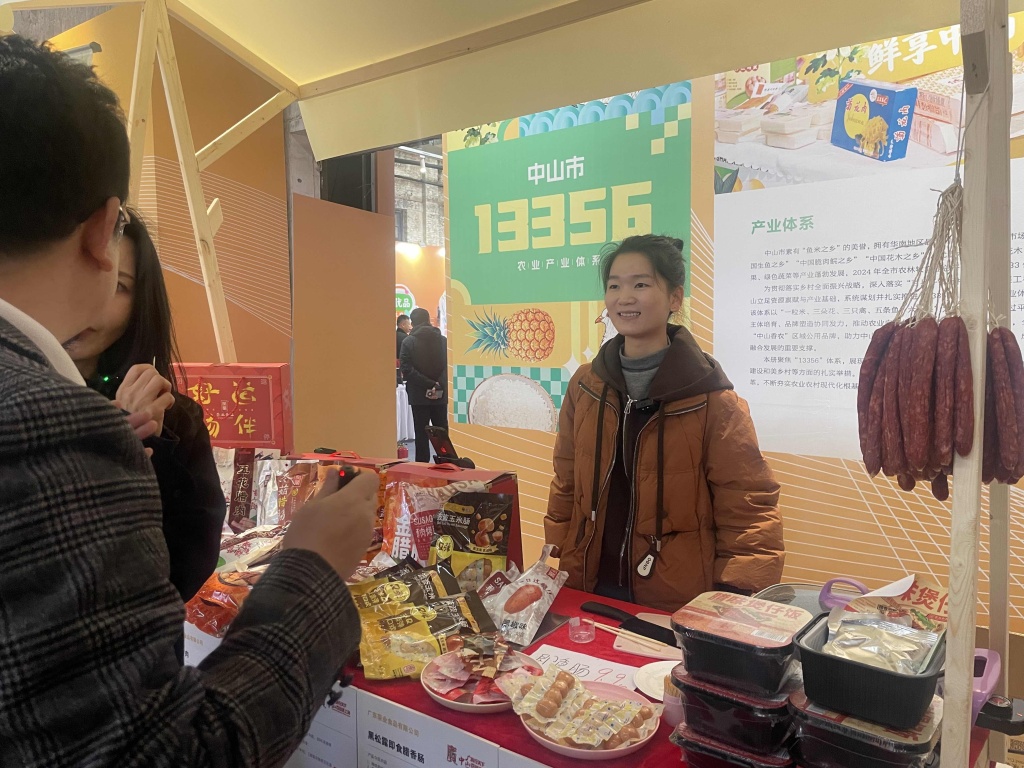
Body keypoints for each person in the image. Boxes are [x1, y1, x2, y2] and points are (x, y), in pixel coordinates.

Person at [0, 34, 375, 765]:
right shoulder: (54, 429)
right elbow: (170, 754)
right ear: (103, 230)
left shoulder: (152, 412)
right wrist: (312, 565)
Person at [545, 235, 784, 612]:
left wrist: (734, 594)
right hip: (588, 581)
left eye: (640, 284)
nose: (624, 298)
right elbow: (567, 478)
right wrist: (556, 549)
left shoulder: (713, 400)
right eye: (614, 286)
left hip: (676, 597)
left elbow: (748, 504)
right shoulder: (586, 385)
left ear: (675, 298)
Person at [63, 211, 225, 604]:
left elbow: (188, 570)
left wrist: (150, 445)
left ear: (141, 304)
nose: (91, 302)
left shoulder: (174, 418)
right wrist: (115, 439)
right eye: (74, 275)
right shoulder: (18, 403)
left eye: (118, 285)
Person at [400, 307, 448, 462]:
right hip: (440, 393)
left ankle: (422, 468)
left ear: (413, 323)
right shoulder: (443, 341)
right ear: (428, 320)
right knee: (442, 433)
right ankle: (447, 464)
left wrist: (428, 383)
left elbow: (406, 369)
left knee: (421, 434)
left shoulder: (408, 342)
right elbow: (449, 366)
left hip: (418, 395)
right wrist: (438, 384)